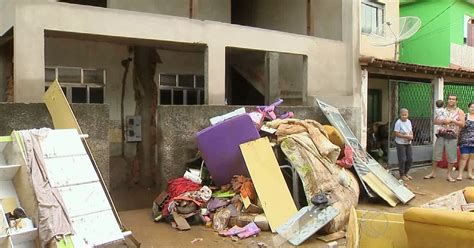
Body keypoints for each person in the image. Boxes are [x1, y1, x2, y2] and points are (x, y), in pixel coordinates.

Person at [424, 94, 465, 182]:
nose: (451, 100)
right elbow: (435, 121)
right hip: (441, 135)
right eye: (450, 99)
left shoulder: (459, 111)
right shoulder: (441, 110)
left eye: (453, 99)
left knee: (451, 156)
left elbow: (462, 124)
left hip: (452, 136)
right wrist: (443, 121)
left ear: (456, 101)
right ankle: (433, 172)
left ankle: (449, 175)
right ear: (447, 100)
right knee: (436, 154)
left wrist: (452, 121)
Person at [393, 108, 414, 181]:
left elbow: (411, 131)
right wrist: (405, 136)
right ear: (400, 115)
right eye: (403, 115)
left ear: (408, 114)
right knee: (402, 159)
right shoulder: (398, 122)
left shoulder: (409, 122)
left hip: (408, 142)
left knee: (410, 158)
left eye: (405, 115)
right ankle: (402, 174)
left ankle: (406, 173)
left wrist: (411, 136)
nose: (404, 116)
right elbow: (396, 133)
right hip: (400, 143)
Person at [457, 101, 474, 180]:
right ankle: (460, 174)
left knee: (472, 158)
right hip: (465, 141)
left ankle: (470, 174)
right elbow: (459, 127)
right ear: (468, 107)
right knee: (464, 157)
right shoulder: (464, 116)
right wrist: (457, 137)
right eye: (471, 107)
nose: (473, 108)